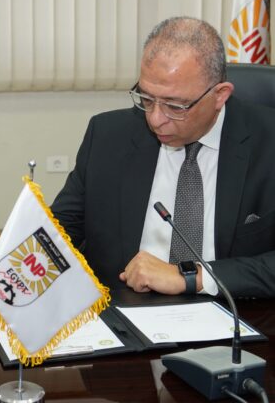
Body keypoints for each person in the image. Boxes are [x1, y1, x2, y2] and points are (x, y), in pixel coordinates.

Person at [51, 16, 275, 298]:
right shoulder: (107, 137)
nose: (155, 119)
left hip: (234, 312)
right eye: (146, 98)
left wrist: (194, 277)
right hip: (125, 309)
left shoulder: (268, 141)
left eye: (175, 106)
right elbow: (58, 233)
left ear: (220, 95)